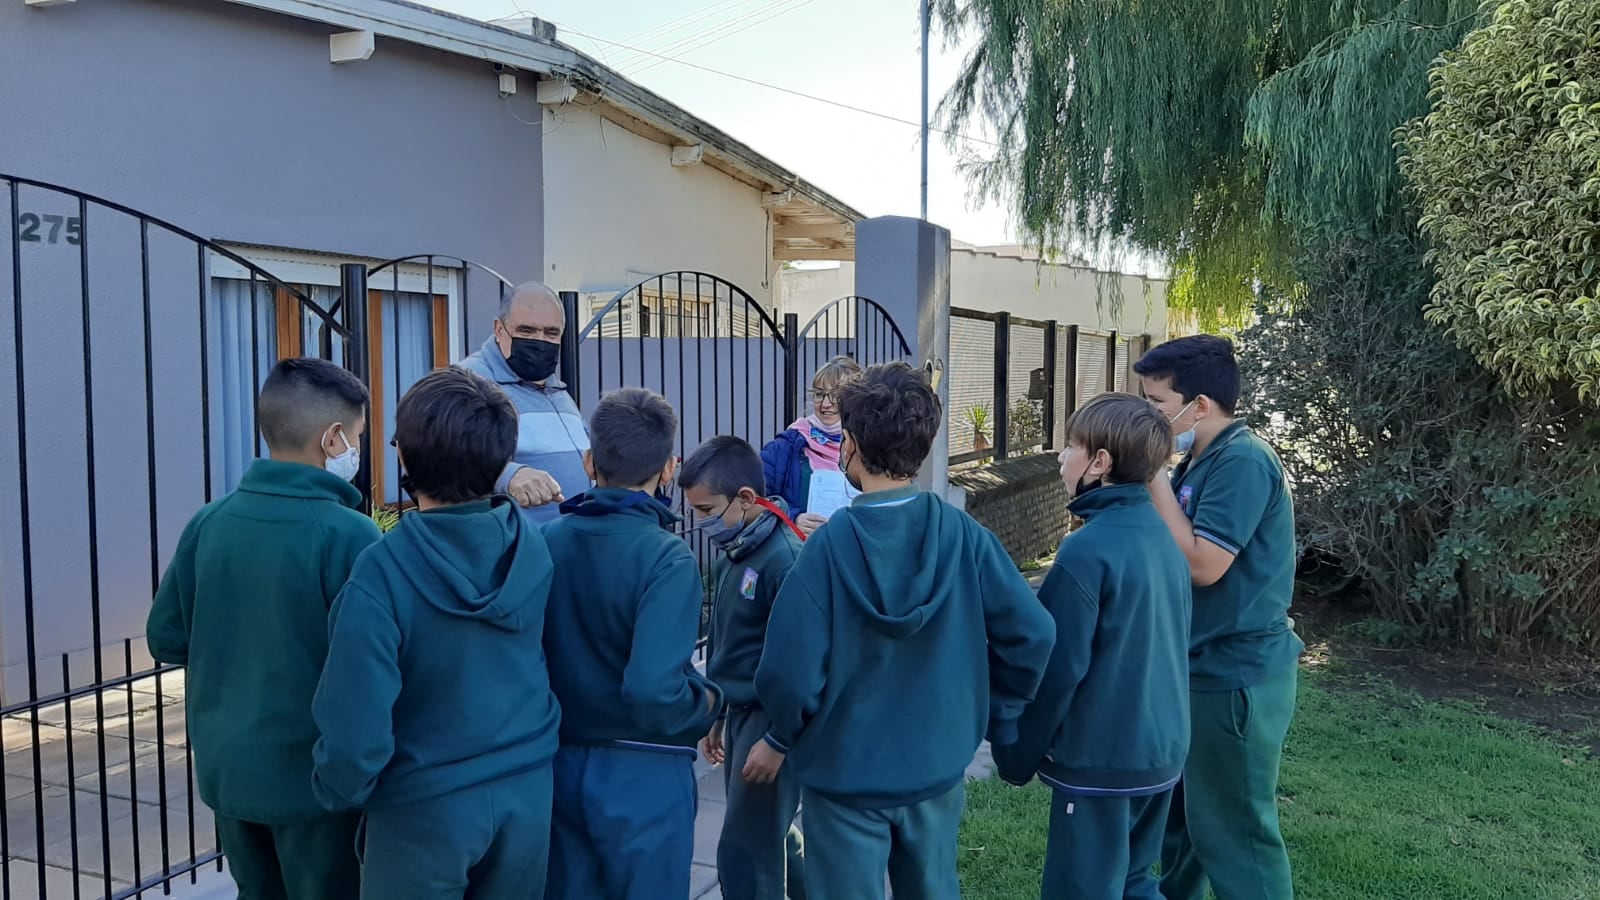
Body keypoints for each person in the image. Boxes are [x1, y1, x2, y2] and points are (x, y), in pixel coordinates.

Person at [752, 361, 1056, 900]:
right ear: (927, 442)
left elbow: (787, 674)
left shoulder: (826, 548)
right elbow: (1033, 634)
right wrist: (994, 707)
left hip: (845, 776)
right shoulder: (964, 535)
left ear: (848, 442)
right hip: (935, 767)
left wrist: (784, 734)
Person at [310, 368, 562, 899]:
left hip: (422, 807)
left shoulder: (382, 571)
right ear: (500, 461)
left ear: (404, 457)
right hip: (526, 789)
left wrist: (336, 790)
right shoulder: (532, 545)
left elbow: (355, 722)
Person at [145, 357, 379, 900]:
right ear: (334, 438)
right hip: (317, 785)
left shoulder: (209, 522)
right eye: (360, 437)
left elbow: (166, 639)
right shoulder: (351, 536)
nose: (359, 450)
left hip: (229, 773)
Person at [991, 393, 1193, 900]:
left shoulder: (1086, 549)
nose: (1061, 458)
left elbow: (1056, 671)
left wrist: (1016, 751)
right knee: (1135, 884)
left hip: (1104, 759)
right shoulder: (1164, 537)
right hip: (1162, 753)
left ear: (1100, 463)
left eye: (1070, 446)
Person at [1134, 335, 1304, 900]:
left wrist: (1154, 474)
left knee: (1235, 834)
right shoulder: (1202, 458)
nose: (1149, 417)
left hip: (1236, 676)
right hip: (1201, 669)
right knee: (1184, 827)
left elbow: (1204, 564)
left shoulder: (1243, 461)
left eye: (1156, 405)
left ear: (1198, 405)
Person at [541, 387, 724, 900]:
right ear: (670, 468)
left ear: (588, 460)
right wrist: (710, 702)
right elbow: (651, 692)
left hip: (558, 763)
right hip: (643, 769)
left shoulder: (545, 543)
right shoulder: (666, 558)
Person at [680, 436, 809, 900]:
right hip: (740, 717)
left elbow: (803, 664)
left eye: (705, 509)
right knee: (764, 832)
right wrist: (718, 712)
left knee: (744, 851)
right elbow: (727, 642)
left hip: (770, 721)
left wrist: (777, 739)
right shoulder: (740, 549)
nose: (700, 522)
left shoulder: (783, 561)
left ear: (746, 500)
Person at [458, 280, 590, 526]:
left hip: (567, 549)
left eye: (551, 333)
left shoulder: (555, 388)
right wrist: (507, 475)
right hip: (513, 555)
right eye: (527, 331)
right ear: (499, 330)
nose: (539, 341)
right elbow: (427, 457)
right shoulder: (468, 381)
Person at [760, 355, 863, 535]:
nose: (825, 404)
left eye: (836, 396)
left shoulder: (869, 447)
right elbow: (754, 501)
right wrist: (792, 518)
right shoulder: (784, 447)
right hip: (798, 555)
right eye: (819, 394)